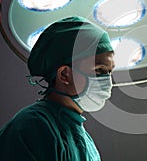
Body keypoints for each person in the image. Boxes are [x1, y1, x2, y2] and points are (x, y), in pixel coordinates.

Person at [0, 16, 115, 160]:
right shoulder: (34, 126)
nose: (108, 80)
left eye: (110, 71)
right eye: (99, 70)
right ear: (64, 74)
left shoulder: (86, 141)